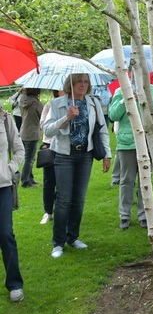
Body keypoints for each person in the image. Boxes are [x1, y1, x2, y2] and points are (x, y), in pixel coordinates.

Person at [43, 74, 111, 258]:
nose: (83, 84)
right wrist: (66, 118)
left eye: (86, 81)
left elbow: (102, 129)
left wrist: (107, 154)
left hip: (85, 155)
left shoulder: (93, 103)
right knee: (64, 199)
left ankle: (72, 237)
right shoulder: (57, 104)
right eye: (79, 81)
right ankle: (58, 243)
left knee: (79, 199)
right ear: (70, 84)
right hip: (64, 155)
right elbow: (47, 130)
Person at [109, 81, 153, 229]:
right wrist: (127, 99)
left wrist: (144, 99)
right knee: (126, 180)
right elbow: (113, 115)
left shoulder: (152, 90)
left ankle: (144, 215)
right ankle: (124, 215)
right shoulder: (120, 91)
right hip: (127, 143)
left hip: (147, 141)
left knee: (145, 180)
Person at [0, 104, 25, 302]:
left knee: (6, 234)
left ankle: (14, 283)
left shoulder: (5, 118)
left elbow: (19, 150)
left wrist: (10, 169)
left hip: (2, 186)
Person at [38, 91, 64, 224]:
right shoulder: (49, 105)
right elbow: (43, 124)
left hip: (64, 146)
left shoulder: (71, 105)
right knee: (49, 181)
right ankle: (48, 211)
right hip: (49, 145)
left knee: (63, 182)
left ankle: (62, 210)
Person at [19, 88, 43, 187]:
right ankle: (25, 181)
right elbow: (42, 116)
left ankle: (30, 178)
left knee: (28, 158)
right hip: (32, 133)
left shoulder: (22, 100)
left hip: (24, 131)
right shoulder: (36, 103)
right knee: (29, 159)